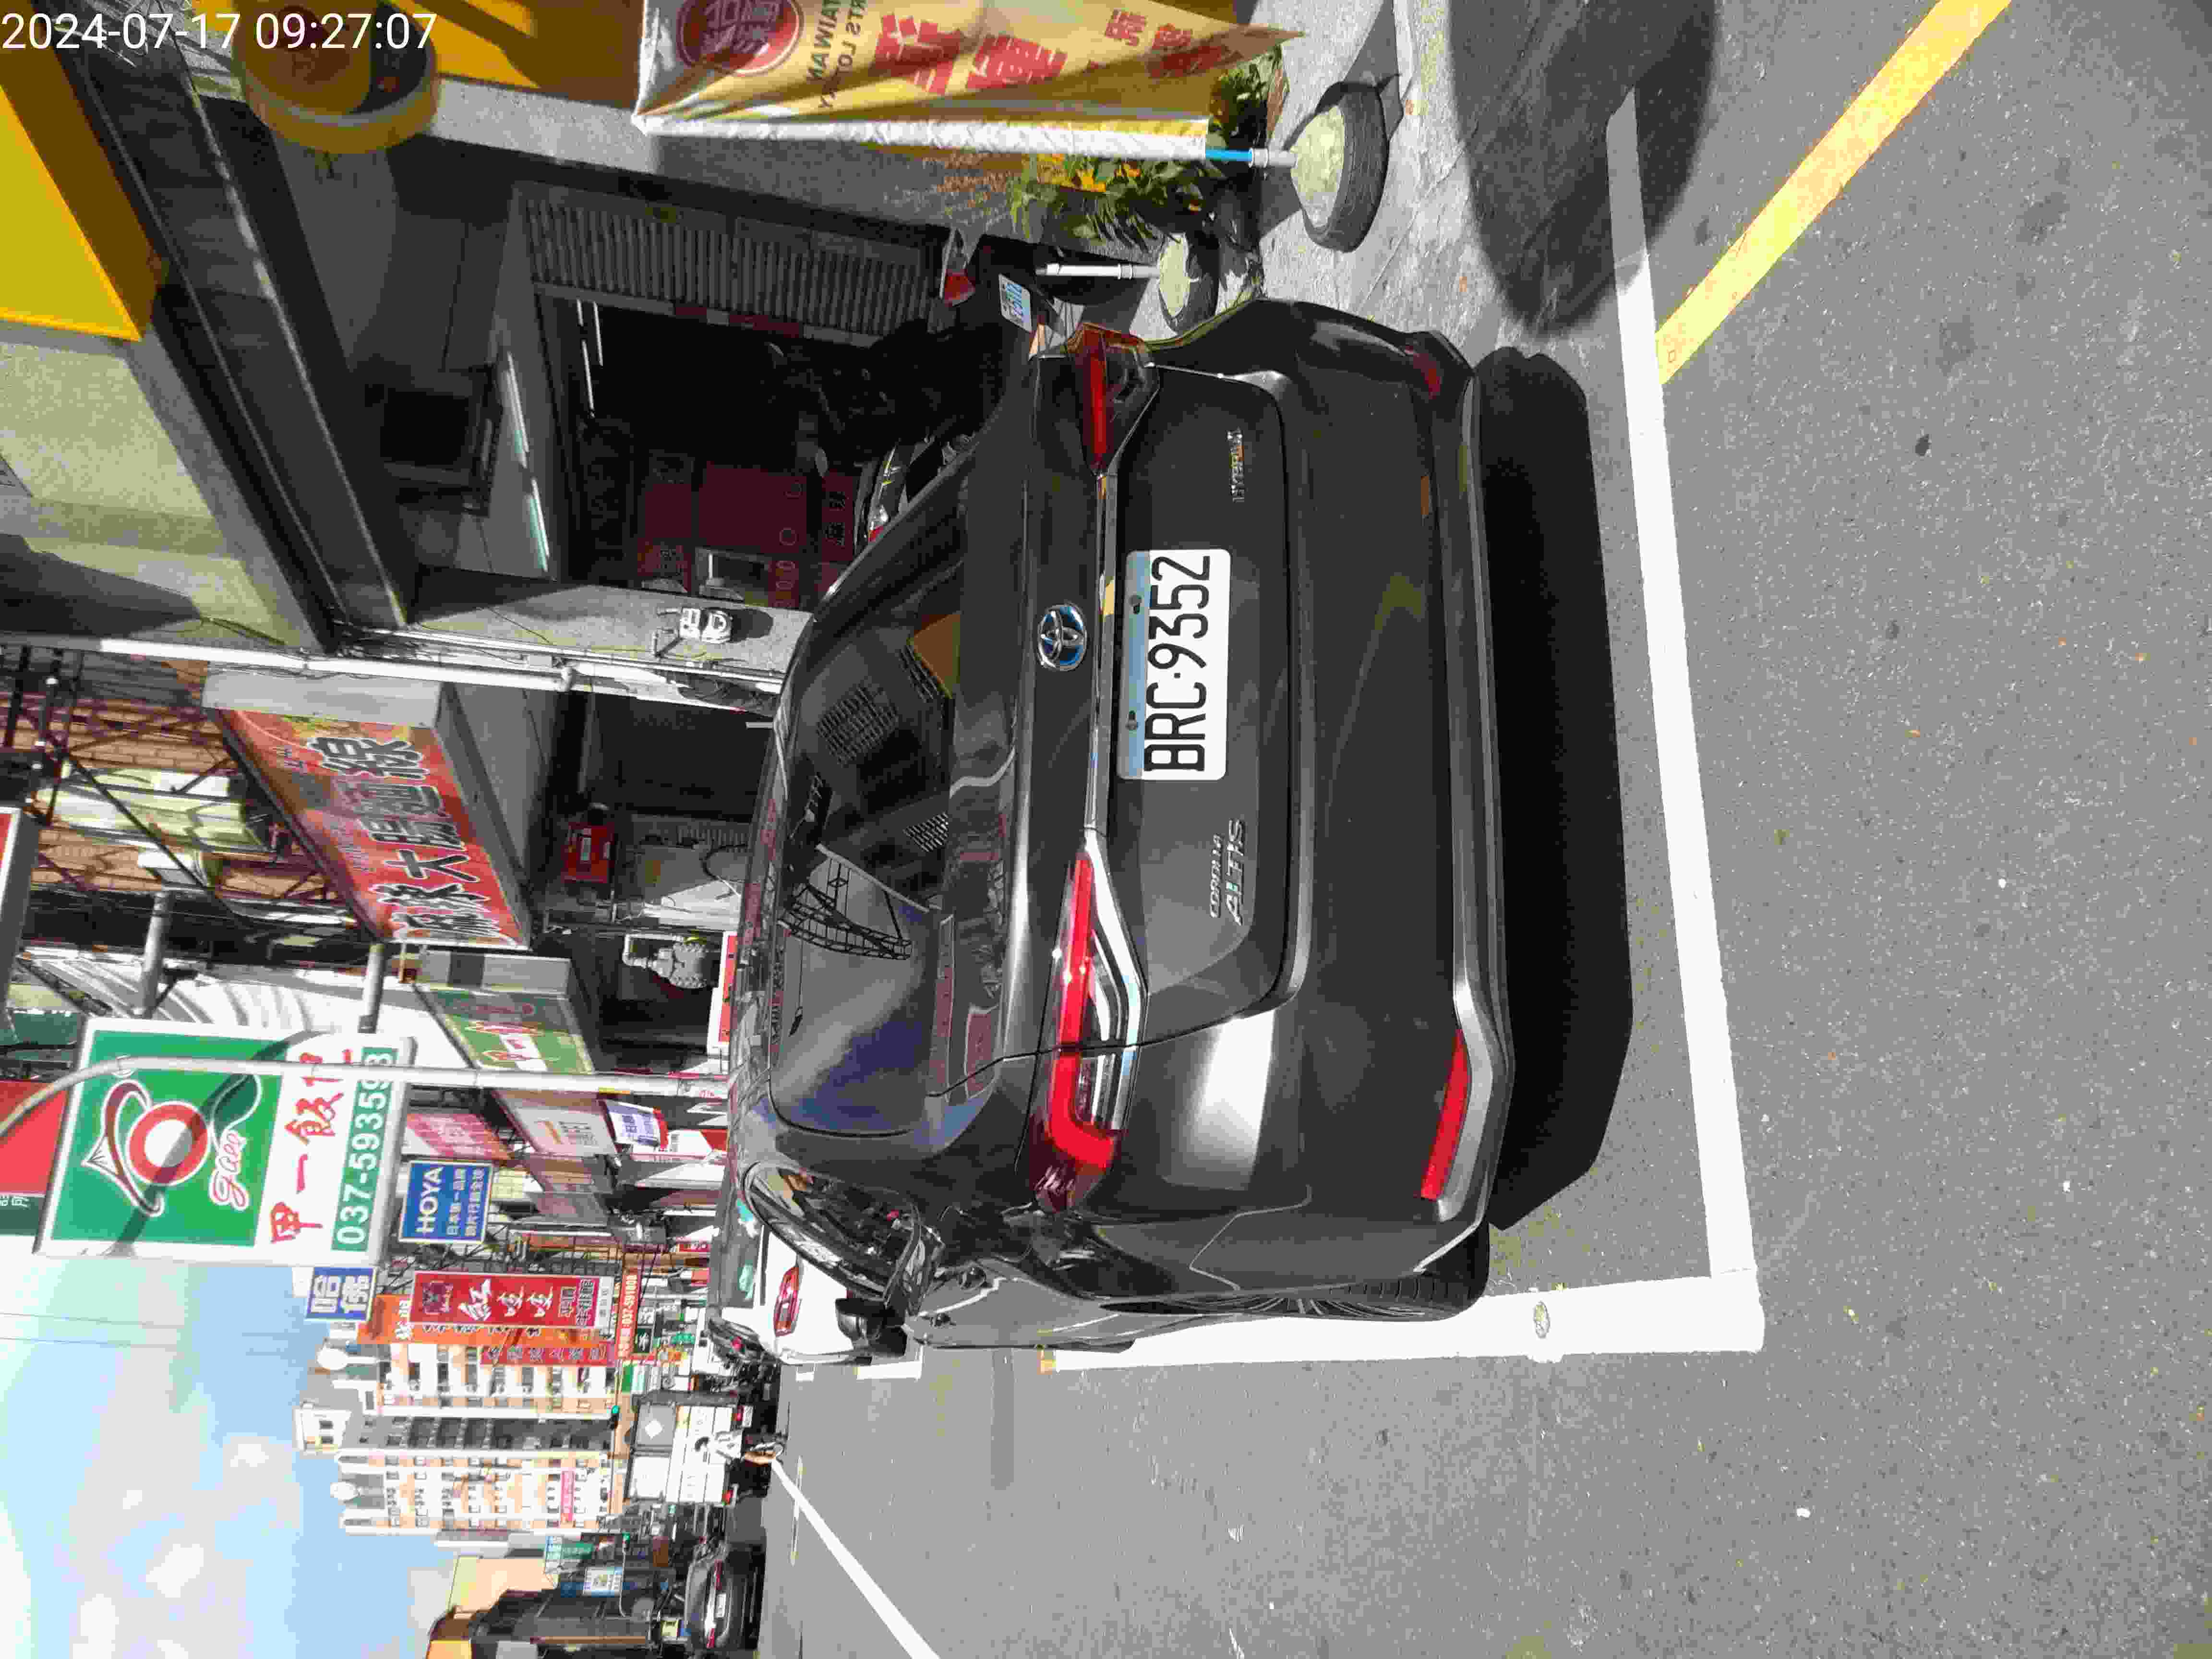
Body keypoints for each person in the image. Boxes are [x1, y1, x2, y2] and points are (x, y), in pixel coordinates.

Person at [697, 1429, 783, 1466]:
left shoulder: (711, 1447)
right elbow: (727, 1434)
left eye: (702, 1449)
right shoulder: (714, 1436)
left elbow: (724, 1456)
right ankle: (778, 1438)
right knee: (760, 1440)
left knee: (758, 1458)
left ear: (703, 1444)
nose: (704, 1451)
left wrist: (729, 1460)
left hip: (738, 1449)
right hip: (740, 1437)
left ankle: (774, 1456)